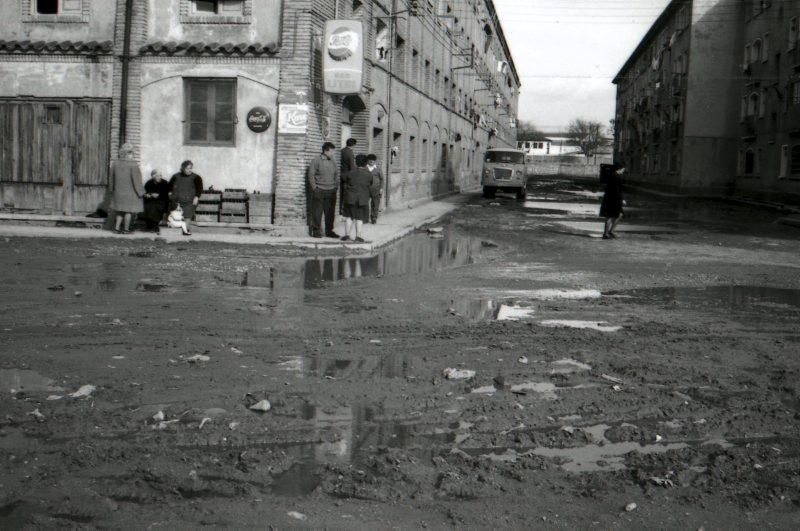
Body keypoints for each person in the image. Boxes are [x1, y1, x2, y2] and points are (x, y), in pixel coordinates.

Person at [109, 143, 144, 234]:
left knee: (120, 211)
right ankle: (126, 229)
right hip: (130, 192)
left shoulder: (115, 163)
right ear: (129, 153)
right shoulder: (133, 164)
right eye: (132, 152)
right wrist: (141, 192)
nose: (133, 154)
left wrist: (111, 189)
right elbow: (137, 180)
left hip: (118, 192)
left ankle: (116, 229)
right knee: (128, 211)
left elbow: (111, 178)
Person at [308, 142, 340, 238]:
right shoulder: (316, 160)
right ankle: (316, 232)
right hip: (319, 190)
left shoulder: (333, 160)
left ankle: (329, 231)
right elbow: (311, 175)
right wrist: (315, 188)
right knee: (317, 213)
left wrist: (335, 187)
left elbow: (336, 174)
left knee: (330, 213)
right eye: (331, 151)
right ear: (325, 151)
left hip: (331, 191)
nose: (333, 153)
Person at [341, 154, 373, 243]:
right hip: (362, 199)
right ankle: (358, 236)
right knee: (359, 217)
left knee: (349, 216)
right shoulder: (369, 174)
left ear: (356, 162)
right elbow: (370, 184)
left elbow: (346, 181)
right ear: (366, 163)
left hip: (350, 198)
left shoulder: (350, 173)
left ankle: (347, 235)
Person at [169, 160, 203, 234]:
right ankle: (176, 230)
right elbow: (169, 187)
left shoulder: (196, 177)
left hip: (190, 201)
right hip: (177, 201)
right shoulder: (175, 176)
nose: (189, 170)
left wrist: (196, 197)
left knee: (187, 214)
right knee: (176, 214)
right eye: (187, 168)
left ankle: (186, 230)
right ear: (183, 168)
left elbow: (199, 189)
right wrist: (170, 194)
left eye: (190, 168)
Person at [600, 164, 625, 239]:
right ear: (619, 169)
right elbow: (617, 190)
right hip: (613, 199)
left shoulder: (612, 176)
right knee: (611, 216)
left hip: (609, 199)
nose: (623, 171)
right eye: (623, 169)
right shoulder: (616, 177)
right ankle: (607, 233)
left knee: (617, 215)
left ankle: (610, 232)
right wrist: (621, 199)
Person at [340, 138, 356, 214]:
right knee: (347, 193)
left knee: (341, 192)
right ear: (353, 145)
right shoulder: (350, 153)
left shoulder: (342, 151)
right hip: (347, 176)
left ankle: (340, 208)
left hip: (341, 174)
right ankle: (344, 210)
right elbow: (352, 166)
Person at [366, 154, 383, 224]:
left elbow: (382, 179)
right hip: (366, 189)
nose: (371, 162)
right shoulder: (365, 168)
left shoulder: (378, 169)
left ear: (375, 161)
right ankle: (365, 218)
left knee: (375, 204)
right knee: (365, 203)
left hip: (376, 189)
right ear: (367, 161)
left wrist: (381, 188)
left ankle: (374, 217)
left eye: (373, 161)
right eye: (370, 161)